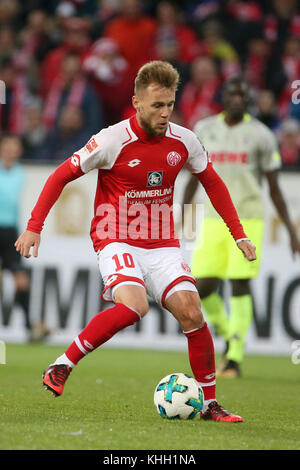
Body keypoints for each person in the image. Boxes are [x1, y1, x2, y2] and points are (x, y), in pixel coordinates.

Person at [15, 61, 256, 422]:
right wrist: (35, 226)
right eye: (157, 105)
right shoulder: (112, 139)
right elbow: (59, 176)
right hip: (115, 237)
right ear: (137, 102)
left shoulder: (184, 140)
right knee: (134, 306)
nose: (164, 113)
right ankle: (63, 364)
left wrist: (239, 234)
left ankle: (208, 405)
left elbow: (214, 183)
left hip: (162, 243)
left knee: (192, 312)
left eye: (170, 104)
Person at [182, 75, 300, 378]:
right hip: (210, 219)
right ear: (224, 96)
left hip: (247, 218)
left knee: (238, 283)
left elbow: (273, 188)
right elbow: (194, 179)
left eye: (243, 94)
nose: (237, 98)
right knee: (202, 287)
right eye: (232, 93)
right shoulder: (204, 129)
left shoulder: (261, 135)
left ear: (248, 100)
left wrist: (290, 230)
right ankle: (227, 335)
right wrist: (186, 222)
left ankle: (234, 358)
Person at [0, 134, 31, 333]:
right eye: (8, 146)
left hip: (11, 232)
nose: (12, 150)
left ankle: (29, 325)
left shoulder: (20, 174)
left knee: (21, 280)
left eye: (15, 147)